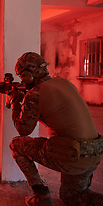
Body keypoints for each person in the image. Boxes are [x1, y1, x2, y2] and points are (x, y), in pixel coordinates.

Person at [7, 52, 103, 206]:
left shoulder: (35, 94)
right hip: (93, 154)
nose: (22, 80)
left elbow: (23, 129)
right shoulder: (64, 83)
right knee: (71, 197)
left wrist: (14, 101)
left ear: (29, 74)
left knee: (16, 145)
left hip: (73, 155)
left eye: (22, 76)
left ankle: (41, 196)